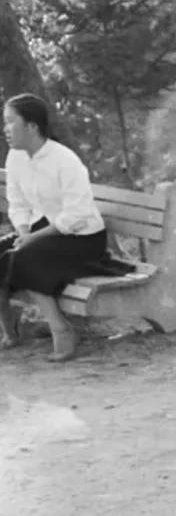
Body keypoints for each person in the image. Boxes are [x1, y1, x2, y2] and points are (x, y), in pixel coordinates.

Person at [0, 94, 107, 363]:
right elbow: (17, 204)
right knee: (8, 250)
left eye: (10, 122)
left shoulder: (64, 160)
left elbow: (77, 215)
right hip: (44, 231)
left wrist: (32, 239)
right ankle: (10, 326)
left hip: (82, 238)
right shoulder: (16, 157)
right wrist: (24, 234)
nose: (5, 129)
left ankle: (61, 328)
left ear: (32, 126)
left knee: (24, 258)